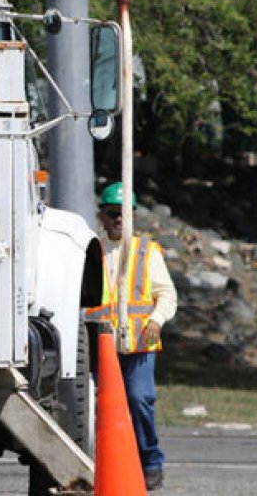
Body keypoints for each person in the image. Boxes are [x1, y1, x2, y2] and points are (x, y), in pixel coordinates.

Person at [85, 182, 177, 491]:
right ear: (102, 216)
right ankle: (105, 462)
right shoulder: (92, 250)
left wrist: (156, 319)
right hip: (102, 345)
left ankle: (150, 462)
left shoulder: (147, 251)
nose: (119, 220)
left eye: (125, 214)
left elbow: (167, 295)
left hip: (139, 342)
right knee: (100, 405)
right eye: (113, 214)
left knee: (139, 399)